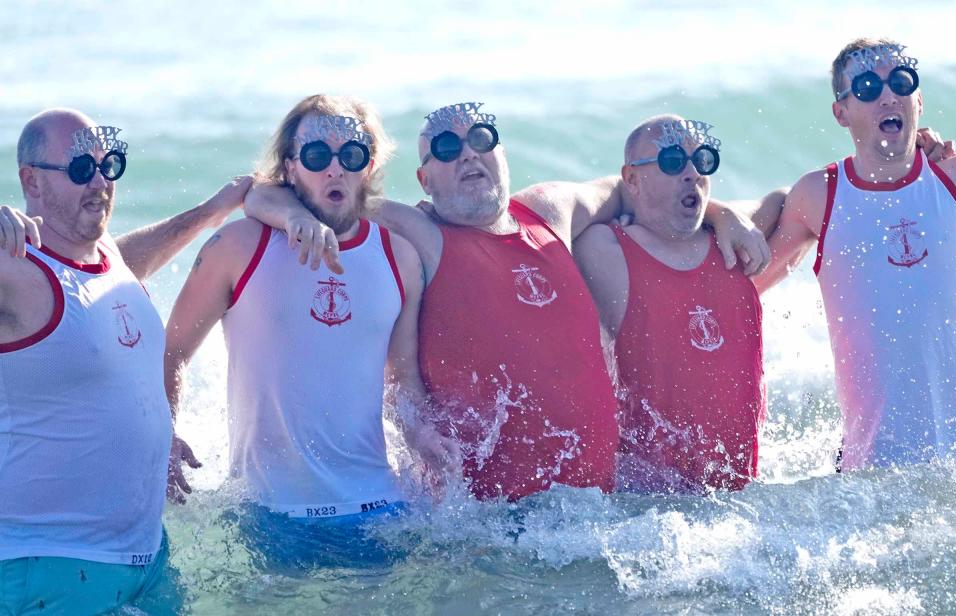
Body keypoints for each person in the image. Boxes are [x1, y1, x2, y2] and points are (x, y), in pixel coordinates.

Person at [244, 102, 771, 501]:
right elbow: (270, 192)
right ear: (425, 180)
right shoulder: (422, 232)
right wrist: (296, 220)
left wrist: (725, 215)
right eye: (447, 150)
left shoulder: (551, 212)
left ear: (501, 153)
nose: (468, 152)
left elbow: (632, 184)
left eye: (480, 138)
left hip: (596, 506)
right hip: (493, 516)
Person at [163, 95, 448, 569]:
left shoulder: (401, 258)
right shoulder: (238, 247)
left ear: (368, 165)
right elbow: (171, 351)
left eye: (350, 155)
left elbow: (402, 382)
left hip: (377, 506)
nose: (334, 169)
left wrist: (423, 437)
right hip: (272, 510)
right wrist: (165, 435)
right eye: (317, 156)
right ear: (291, 168)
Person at [0, 108, 249, 614]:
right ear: (31, 181)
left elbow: (117, 271)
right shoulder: (15, 269)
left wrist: (213, 211)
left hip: (145, 558)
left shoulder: (102, 257)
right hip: (47, 565)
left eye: (107, 165)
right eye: (78, 169)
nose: (99, 181)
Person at [754, 39, 956, 470]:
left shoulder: (954, 178)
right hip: (871, 466)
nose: (888, 95)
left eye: (902, 82)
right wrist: (731, 215)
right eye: (867, 86)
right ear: (841, 112)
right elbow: (746, 286)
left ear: (918, 99)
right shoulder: (819, 195)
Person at [575, 116, 768, 493]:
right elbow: (558, 218)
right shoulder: (606, 249)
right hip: (649, 506)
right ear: (631, 178)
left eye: (703, 162)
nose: (692, 174)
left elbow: (801, 201)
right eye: (672, 162)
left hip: (742, 499)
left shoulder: (737, 245)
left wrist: (723, 213)